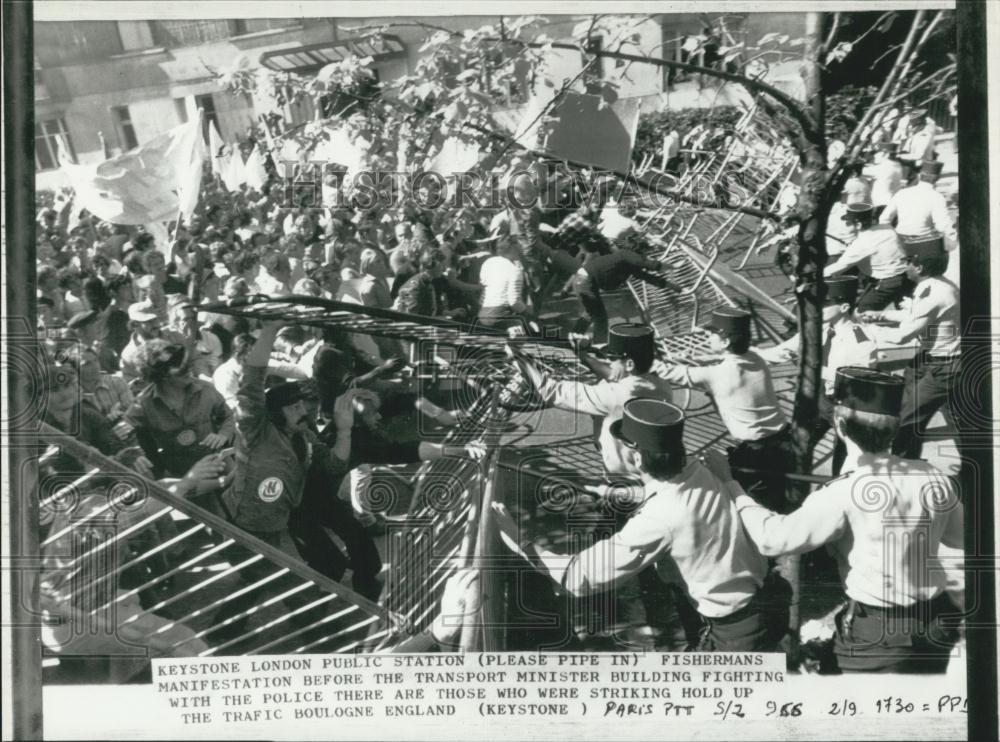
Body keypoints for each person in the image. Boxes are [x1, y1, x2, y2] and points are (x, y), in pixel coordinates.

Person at [491, 398, 785, 651]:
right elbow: (669, 493)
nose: (602, 450)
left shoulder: (657, 520)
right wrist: (612, 492)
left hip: (735, 634)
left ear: (635, 457)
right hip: (760, 603)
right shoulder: (697, 468)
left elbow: (577, 577)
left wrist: (517, 538)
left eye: (604, 446)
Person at [733, 367, 963, 673]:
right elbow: (961, 538)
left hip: (880, 634)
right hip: (936, 622)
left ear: (839, 424)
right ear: (895, 428)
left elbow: (772, 539)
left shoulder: (840, 493)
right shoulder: (932, 476)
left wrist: (733, 488)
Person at [218, 321, 382, 601]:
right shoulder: (255, 431)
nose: (302, 410)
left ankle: (354, 601)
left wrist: (343, 430)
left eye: (302, 405)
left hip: (287, 513)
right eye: (293, 407)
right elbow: (252, 382)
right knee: (264, 584)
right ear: (274, 414)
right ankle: (223, 633)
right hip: (250, 522)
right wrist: (270, 329)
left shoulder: (303, 434)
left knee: (343, 551)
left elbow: (334, 465)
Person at [659, 307, 791, 511]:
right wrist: (690, 356)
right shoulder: (756, 358)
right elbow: (723, 362)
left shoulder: (717, 374)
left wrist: (650, 361)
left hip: (754, 452)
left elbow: (674, 374)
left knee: (750, 502)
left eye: (712, 334)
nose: (707, 336)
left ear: (725, 342)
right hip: (783, 440)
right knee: (782, 497)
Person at [511, 323, 673, 474]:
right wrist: (583, 355)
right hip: (652, 468)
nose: (608, 361)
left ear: (629, 364)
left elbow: (550, 391)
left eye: (612, 359)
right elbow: (614, 375)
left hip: (626, 477)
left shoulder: (614, 397)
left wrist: (516, 351)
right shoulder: (660, 384)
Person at [757, 276, 876, 476]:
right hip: (818, 400)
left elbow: (857, 383)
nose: (819, 306)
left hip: (845, 404)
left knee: (846, 457)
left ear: (844, 307)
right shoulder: (818, 329)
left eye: (826, 302)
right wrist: (745, 354)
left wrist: (813, 370)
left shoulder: (862, 342)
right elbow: (782, 351)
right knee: (797, 447)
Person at [860, 236, 962, 462]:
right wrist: (881, 315)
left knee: (907, 418)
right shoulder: (933, 285)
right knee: (905, 407)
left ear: (920, 266)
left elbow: (902, 336)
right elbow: (915, 314)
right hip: (929, 358)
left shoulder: (935, 293)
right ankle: (909, 458)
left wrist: (869, 332)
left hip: (945, 366)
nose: (904, 265)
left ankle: (901, 465)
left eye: (907, 261)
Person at [124, 339, 234, 478]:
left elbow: (227, 415)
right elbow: (123, 433)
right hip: (181, 473)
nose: (188, 370)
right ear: (162, 376)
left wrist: (223, 434)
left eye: (186, 364)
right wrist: (135, 454)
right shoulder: (143, 404)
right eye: (180, 369)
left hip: (218, 461)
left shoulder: (205, 389)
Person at [574, 244, 676, 345]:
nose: (646, 256)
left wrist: (668, 285)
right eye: (646, 253)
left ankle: (576, 337)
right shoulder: (626, 254)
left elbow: (645, 276)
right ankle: (599, 344)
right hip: (585, 279)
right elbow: (642, 262)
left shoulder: (628, 264)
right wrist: (660, 266)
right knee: (598, 314)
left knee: (591, 312)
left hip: (583, 277)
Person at [824, 202, 912, 311]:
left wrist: (815, 276)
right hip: (905, 278)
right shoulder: (887, 228)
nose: (846, 225)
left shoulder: (862, 243)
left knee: (862, 312)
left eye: (849, 223)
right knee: (908, 313)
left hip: (887, 283)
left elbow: (839, 267)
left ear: (859, 225)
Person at [879, 160, 956, 245]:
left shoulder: (902, 193)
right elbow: (943, 225)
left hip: (901, 242)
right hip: (925, 243)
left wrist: (891, 237)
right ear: (937, 178)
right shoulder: (937, 197)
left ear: (919, 176)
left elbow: (883, 219)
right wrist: (953, 237)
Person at [119, 299, 187, 384]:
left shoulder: (175, 335)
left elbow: (195, 358)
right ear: (135, 325)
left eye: (155, 319)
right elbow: (131, 384)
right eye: (148, 321)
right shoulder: (128, 354)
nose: (155, 324)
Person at [477, 237, 529, 331]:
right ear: (513, 248)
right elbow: (514, 302)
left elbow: (483, 289)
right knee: (527, 330)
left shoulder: (488, 263)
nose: (522, 250)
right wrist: (528, 315)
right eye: (520, 246)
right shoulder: (515, 270)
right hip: (500, 315)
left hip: (482, 314)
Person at [864, 141, 905, 220]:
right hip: (891, 202)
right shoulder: (898, 165)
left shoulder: (882, 168)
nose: (875, 155)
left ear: (885, 154)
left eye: (878, 152)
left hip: (880, 204)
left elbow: (862, 171)